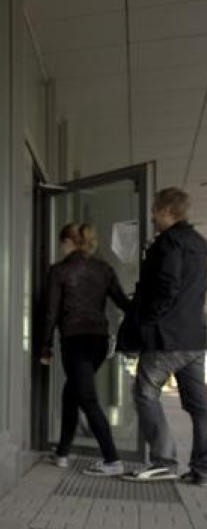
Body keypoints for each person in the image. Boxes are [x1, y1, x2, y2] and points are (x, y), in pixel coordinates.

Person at [124, 187, 207, 484]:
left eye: (154, 210)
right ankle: (202, 469)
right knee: (199, 406)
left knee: (145, 392)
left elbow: (167, 287)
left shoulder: (169, 242)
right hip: (196, 338)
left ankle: (163, 461)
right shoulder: (200, 243)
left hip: (167, 338)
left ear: (166, 211)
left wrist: (148, 323)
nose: (152, 216)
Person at [41, 222, 130, 475]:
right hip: (99, 342)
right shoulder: (104, 269)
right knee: (71, 393)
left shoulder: (59, 270)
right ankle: (62, 453)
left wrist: (45, 346)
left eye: (62, 243)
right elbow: (123, 303)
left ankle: (112, 460)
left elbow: (51, 312)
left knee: (87, 399)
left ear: (69, 242)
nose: (61, 249)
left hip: (75, 342)